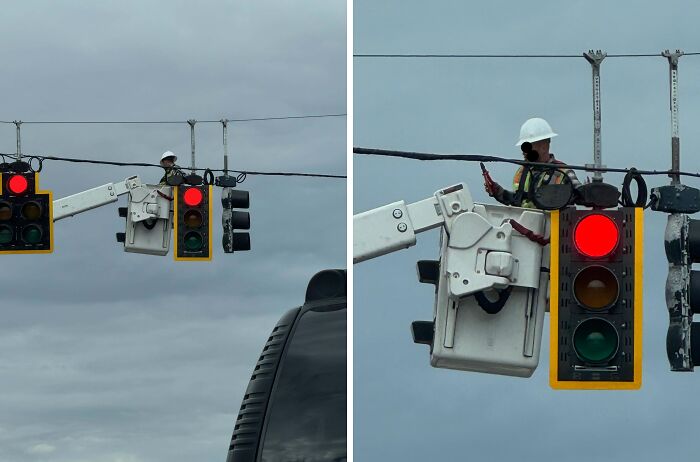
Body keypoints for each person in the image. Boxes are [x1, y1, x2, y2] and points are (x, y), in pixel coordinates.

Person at [484, 117, 580, 208]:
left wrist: (589, 191)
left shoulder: (564, 172)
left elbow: (580, 195)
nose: (524, 152)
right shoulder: (522, 172)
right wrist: (497, 191)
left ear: (543, 146)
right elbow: (517, 201)